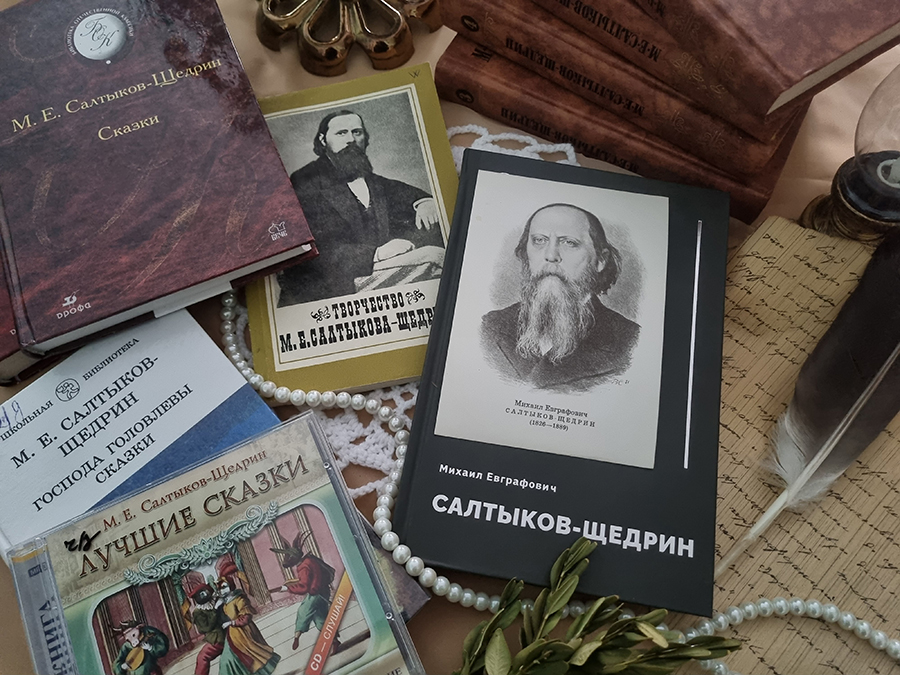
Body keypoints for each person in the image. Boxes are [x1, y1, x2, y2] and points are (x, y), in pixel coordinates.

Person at [277, 109, 444, 305]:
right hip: (331, 286)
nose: (351, 139)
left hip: (369, 274)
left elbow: (402, 191)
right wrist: (376, 254)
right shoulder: (305, 181)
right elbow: (314, 249)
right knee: (436, 258)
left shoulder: (373, 181)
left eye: (357, 132)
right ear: (323, 140)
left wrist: (425, 202)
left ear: (365, 138)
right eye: (341, 133)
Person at [480, 203, 640, 392]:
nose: (551, 255)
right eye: (539, 240)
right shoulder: (492, 326)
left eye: (569, 243)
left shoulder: (628, 341)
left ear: (601, 260)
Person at [270, 532, 337, 651]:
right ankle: (335, 641)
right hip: (323, 591)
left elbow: (304, 587)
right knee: (320, 618)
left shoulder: (304, 566)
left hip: (316, 593)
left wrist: (287, 588)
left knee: (303, 611)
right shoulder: (309, 560)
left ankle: (297, 636)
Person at [216, 575, 280, 675]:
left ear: (231, 586)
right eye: (220, 588)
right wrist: (217, 608)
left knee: (252, 658)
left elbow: (246, 617)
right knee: (227, 660)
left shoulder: (239, 599)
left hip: (245, 633)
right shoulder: (224, 603)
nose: (222, 590)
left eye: (224, 587)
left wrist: (233, 622)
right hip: (232, 636)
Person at [189, 584, 226, 675]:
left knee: (203, 657)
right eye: (201, 594)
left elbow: (208, 628)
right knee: (202, 657)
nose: (204, 595)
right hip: (218, 635)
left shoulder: (215, 602)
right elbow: (205, 628)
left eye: (205, 593)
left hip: (219, 638)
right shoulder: (198, 612)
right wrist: (215, 609)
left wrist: (215, 608)